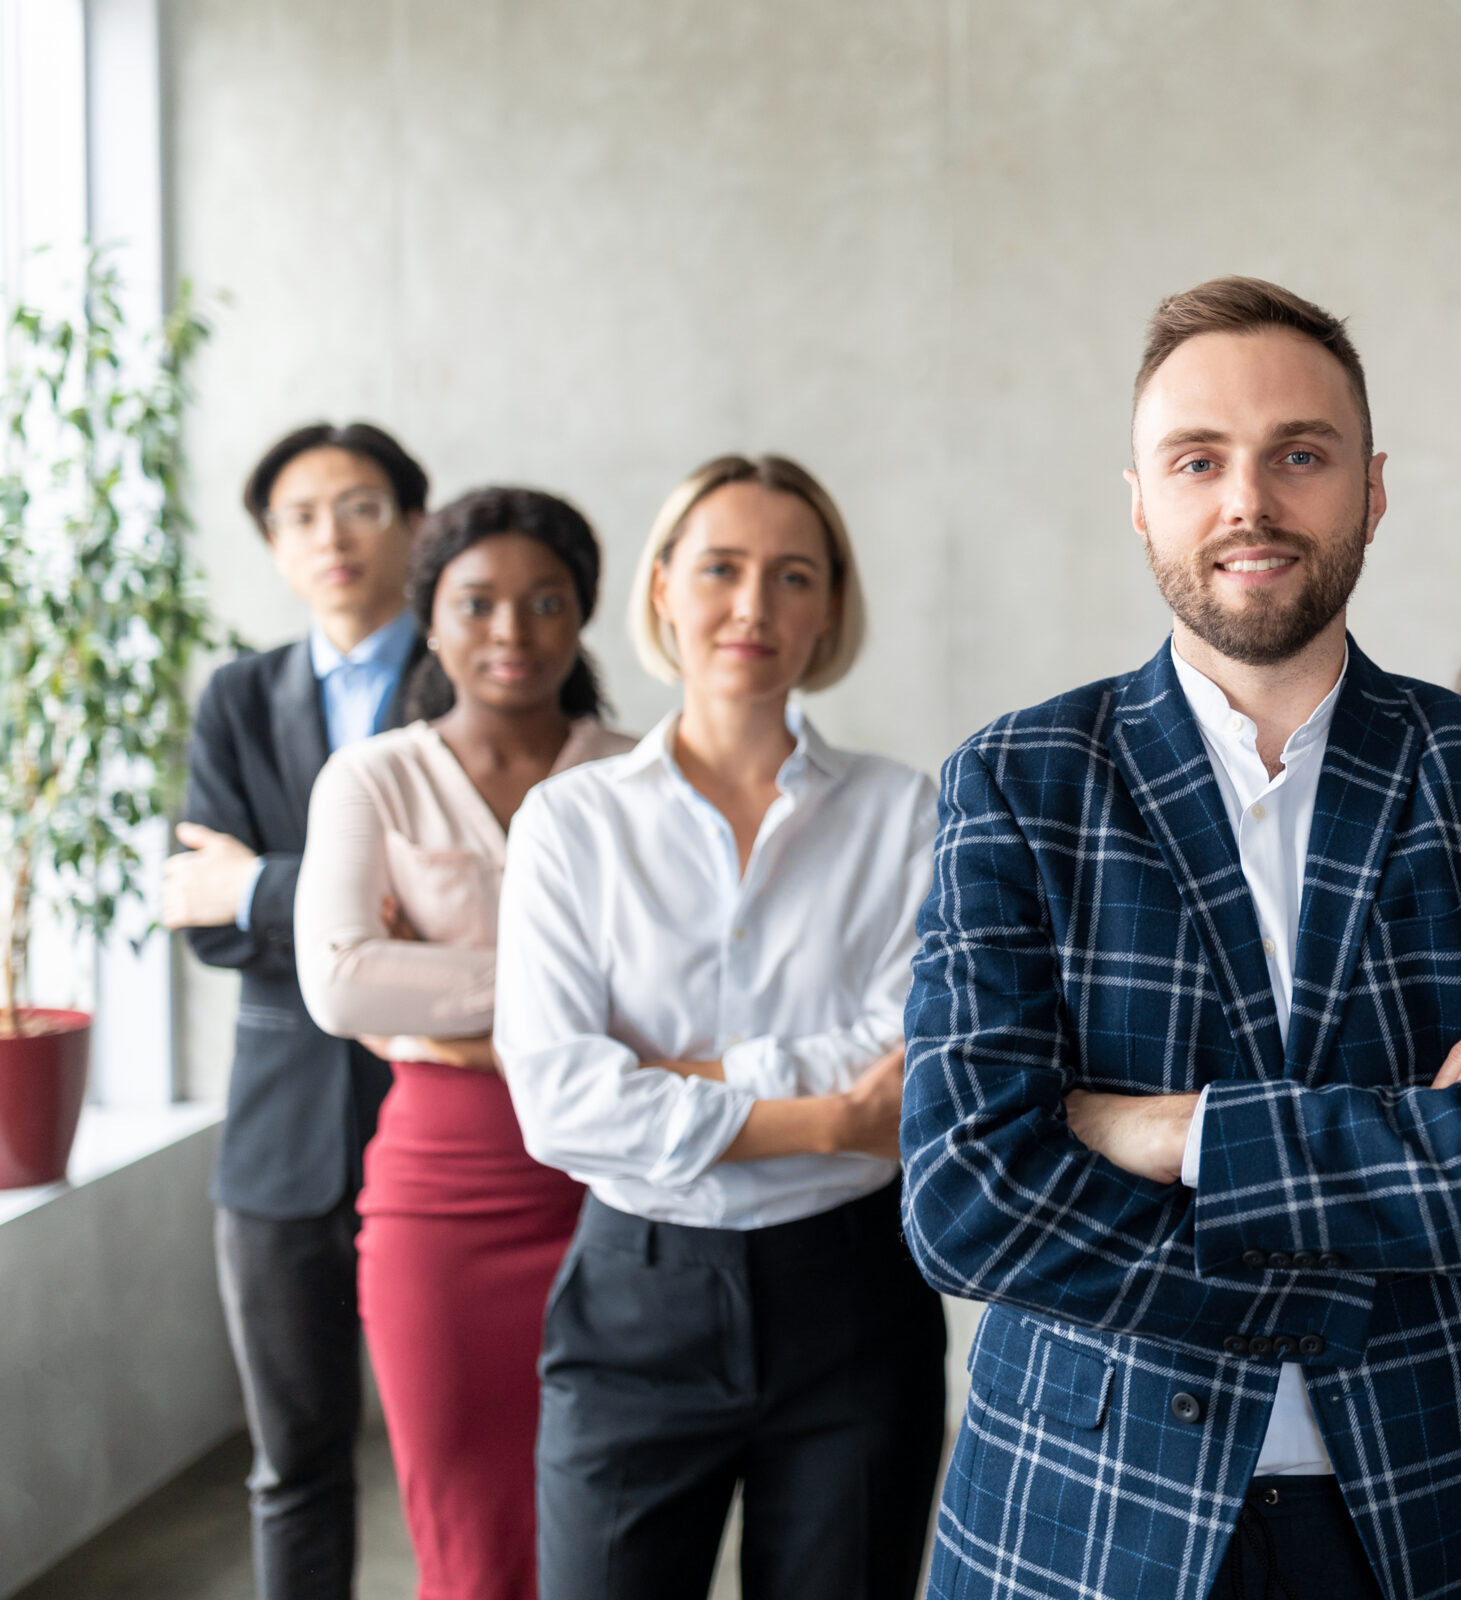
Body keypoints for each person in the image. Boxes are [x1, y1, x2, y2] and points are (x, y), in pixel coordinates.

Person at [901, 277, 1461, 1600]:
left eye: (1299, 456)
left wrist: (1178, 1133)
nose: (1250, 500)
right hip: (1091, 1511)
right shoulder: (1019, 781)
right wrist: (1393, 1177)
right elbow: (968, 1199)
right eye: (1200, 461)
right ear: (1139, 497)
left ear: (1369, 488)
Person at [493, 456, 945, 1600]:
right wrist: (830, 1114)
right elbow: (557, 1096)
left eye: (793, 575)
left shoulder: (905, 811)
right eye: (722, 569)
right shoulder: (570, 821)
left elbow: (913, 1057)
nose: (753, 606)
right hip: (637, 1294)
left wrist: (675, 1077)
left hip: (854, 1294)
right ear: (659, 590)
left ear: (830, 607)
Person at [294, 487, 633, 1600]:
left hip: (622, 1184)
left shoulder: (640, 775)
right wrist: (573, 997)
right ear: (428, 616)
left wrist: (445, 997)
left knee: (615, 1531)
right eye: (477, 602)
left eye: (545, 602)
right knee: (468, 1540)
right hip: (442, 1195)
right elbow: (341, 982)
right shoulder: (374, 776)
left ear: (580, 614)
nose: (511, 631)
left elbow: (694, 999)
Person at [165, 422, 431, 1600]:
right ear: (274, 546)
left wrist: (265, 880)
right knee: (294, 1463)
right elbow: (201, 916)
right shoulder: (236, 695)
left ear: (415, 527)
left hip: (448, 1113)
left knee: (470, 1455)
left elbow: (489, 917)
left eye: (362, 504)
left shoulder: (481, 673)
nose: (332, 535)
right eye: (300, 515)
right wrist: (353, 907)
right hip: (277, 1143)